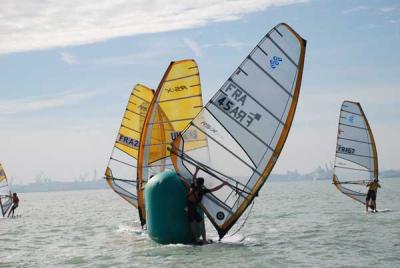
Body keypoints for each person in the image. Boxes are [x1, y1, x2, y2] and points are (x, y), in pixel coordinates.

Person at [185, 167, 226, 245]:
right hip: (192, 208)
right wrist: (223, 184)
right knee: (201, 223)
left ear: (196, 182)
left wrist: (196, 170)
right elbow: (215, 189)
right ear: (202, 184)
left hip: (188, 207)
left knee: (192, 223)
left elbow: (193, 178)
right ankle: (203, 239)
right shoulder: (202, 191)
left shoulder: (193, 186)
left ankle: (195, 239)